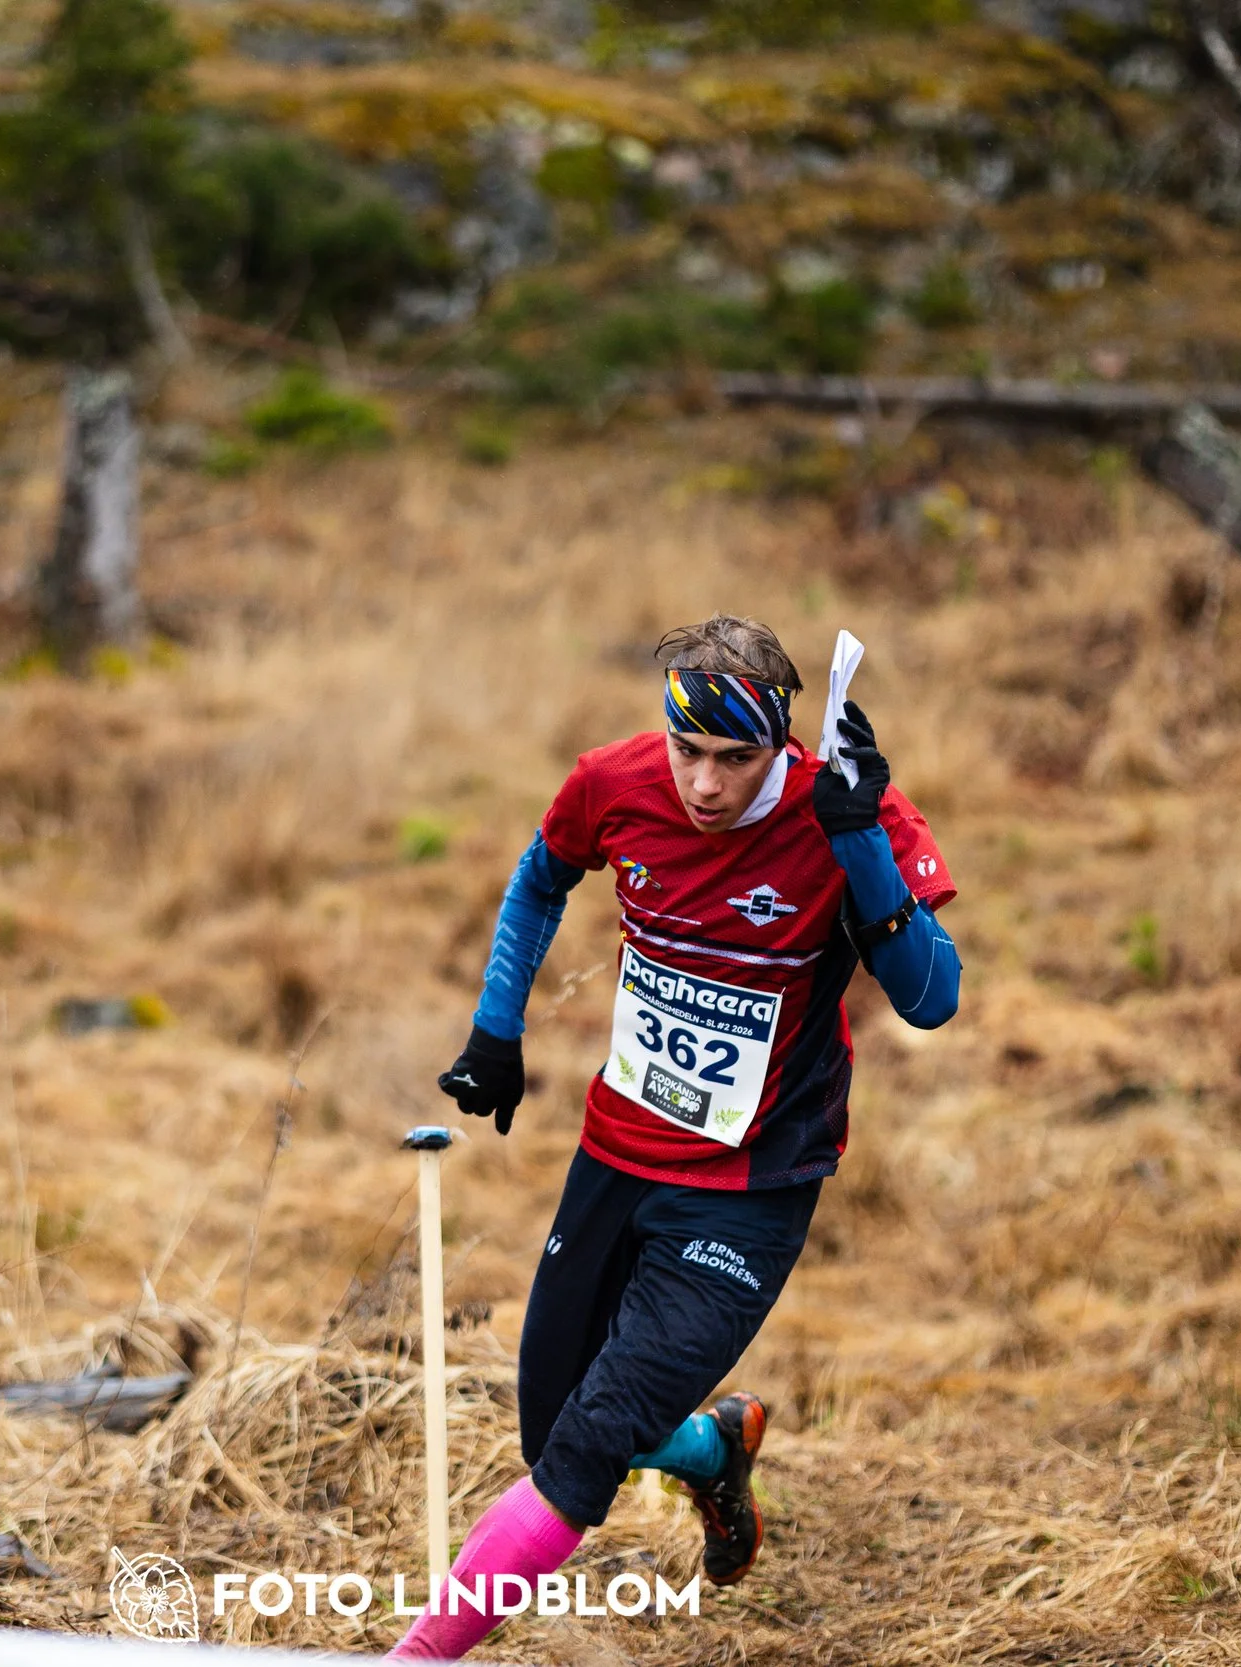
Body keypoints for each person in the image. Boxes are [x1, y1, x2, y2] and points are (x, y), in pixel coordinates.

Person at [388, 614, 961, 1660]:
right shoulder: (614, 782)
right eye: (685, 750)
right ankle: (709, 1447)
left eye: (733, 759)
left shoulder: (847, 810)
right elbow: (536, 880)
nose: (702, 784)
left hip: (749, 1186)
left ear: (781, 744)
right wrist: (495, 1026)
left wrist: (861, 845)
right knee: (555, 1425)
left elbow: (932, 998)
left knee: (583, 1451)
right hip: (615, 1151)